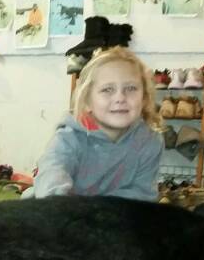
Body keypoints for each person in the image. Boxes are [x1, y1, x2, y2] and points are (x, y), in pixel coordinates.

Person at [30, 46, 163, 201]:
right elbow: (51, 177)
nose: (120, 97)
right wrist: (65, 206)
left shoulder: (149, 141)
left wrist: (99, 211)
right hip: (61, 209)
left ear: (144, 98)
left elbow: (142, 194)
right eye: (107, 89)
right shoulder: (69, 138)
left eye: (131, 88)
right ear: (87, 101)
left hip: (114, 212)